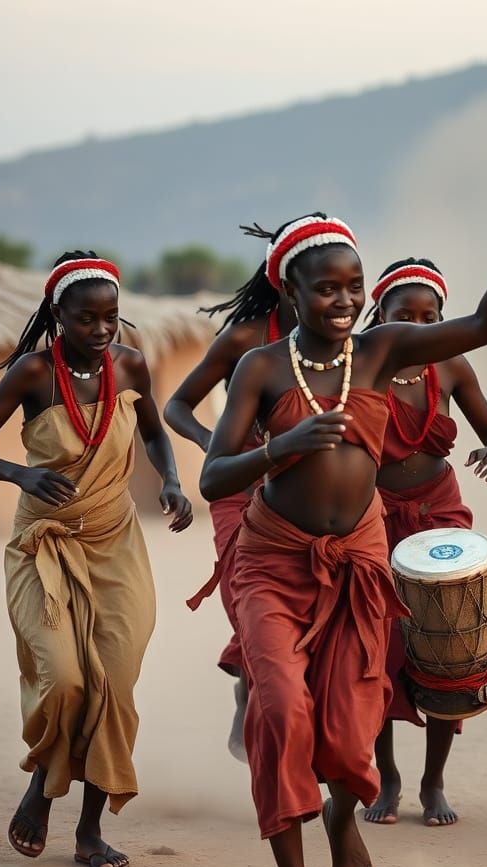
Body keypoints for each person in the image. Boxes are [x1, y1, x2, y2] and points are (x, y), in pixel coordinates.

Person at [199, 164, 487, 867]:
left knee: (355, 723)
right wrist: (280, 447)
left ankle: (342, 817)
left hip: (359, 557)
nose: (345, 299)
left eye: (354, 285)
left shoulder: (383, 350)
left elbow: (486, 327)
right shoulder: (261, 368)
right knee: (280, 711)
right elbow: (215, 476)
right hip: (274, 562)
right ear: (291, 293)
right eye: (327, 288)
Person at [0, 252, 192, 867]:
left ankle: (89, 831)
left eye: (111, 317)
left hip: (116, 542)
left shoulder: (129, 363)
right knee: (65, 678)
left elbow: (154, 430)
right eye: (87, 319)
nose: (102, 329)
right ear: (59, 315)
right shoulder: (33, 373)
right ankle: (42, 782)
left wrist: (170, 480)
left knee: (114, 682)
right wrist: (20, 473)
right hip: (45, 545)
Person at [359, 257, 487, 828]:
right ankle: (387, 777)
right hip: (372, 518)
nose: (418, 326)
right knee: (376, 650)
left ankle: (433, 781)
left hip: (440, 518)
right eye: (405, 314)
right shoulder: (361, 367)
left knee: (447, 647)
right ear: (380, 316)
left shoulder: (450, 366)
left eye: (430, 317)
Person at [165, 221, 299, 761]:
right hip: (240, 488)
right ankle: (248, 689)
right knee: (247, 597)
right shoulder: (245, 338)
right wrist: (213, 444)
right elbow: (177, 404)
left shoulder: (347, 343)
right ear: (284, 277)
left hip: (304, 489)